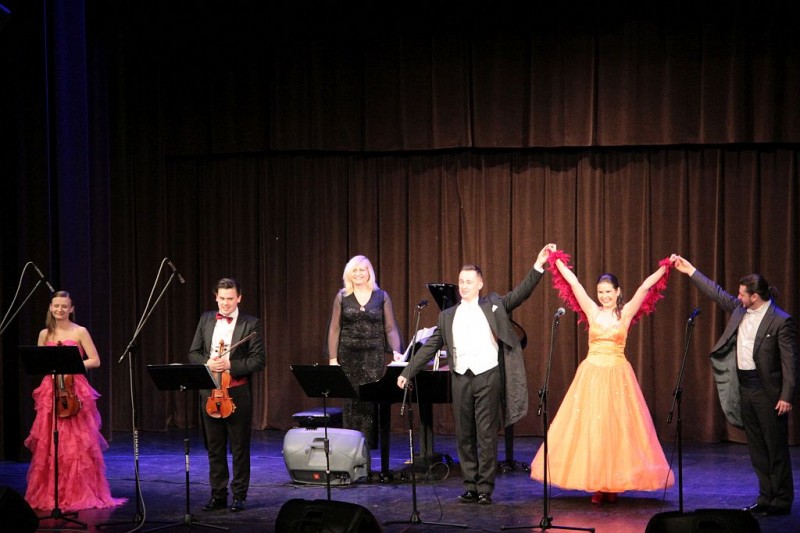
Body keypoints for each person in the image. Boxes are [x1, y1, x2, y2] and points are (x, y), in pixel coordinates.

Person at [397, 243, 557, 505]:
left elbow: (520, 294)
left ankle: (485, 487)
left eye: (469, 281)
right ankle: (470, 485)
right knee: (464, 434)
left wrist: (538, 266)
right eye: (461, 281)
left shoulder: (493, 304)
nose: (464, 286)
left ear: (480, 284)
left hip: (488, 375)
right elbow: (430, 346)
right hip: (460, 378)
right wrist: (408, 371)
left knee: (485, 434)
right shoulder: (447, 315)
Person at [530, 250, 675, 504]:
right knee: (594, 429)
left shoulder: (626, 313)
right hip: (592, 375)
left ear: (618, 292)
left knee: (617, 430)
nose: (604, 296)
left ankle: (613, 483)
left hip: (618, 375)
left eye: (608, 292)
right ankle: (599, 483)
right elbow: (574, 284)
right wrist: (556, 260)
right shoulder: (592, 311)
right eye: (600, 292)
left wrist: (666, 267)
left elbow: (644, 287)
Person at [672, 255, 797, 516]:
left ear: (755, 296)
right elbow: (717, 293)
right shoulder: (741, 309)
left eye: (742, 294)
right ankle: (765, 496)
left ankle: (781, 500)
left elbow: (790, 362)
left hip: (768, 392)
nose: (737, 297)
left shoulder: (780, 320)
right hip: (746, 387)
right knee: (756, 446)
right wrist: (690, 270)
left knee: (774, 447)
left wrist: (786, 395)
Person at [24, 290, 126, 512]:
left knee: (76, 441)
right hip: (50, 390)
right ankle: (53, 492)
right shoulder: (44, 334)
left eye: (64, 306)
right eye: (56, 306)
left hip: (74, 389)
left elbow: (95, 360)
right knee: (50, 440)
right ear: (50, 307)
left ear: (71, 309)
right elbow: (40, 362)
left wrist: (72, 365)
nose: (59, 309)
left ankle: (78, 491)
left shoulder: (80, 331)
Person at [189, 278, 265, 513]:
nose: (225, 303)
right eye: (221, 298)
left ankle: (239, 495)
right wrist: (208, 362)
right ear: (216, 297)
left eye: (230, 299)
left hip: (236, 392)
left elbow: (258, 360)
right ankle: (218, 495)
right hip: (210, 392)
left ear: (239, 298)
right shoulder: (206, 319)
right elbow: (193, 353)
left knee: (239, 448)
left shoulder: (250, 323)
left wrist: (230, 364)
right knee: (215, 448)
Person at [327, 255, 404, 450]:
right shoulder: (342, 297)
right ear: (349, 274)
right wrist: (333, 358)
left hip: (373, 357)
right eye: (355, 270)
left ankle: (367, 449)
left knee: (370, 402)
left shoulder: (381, 296)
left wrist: (396, 351)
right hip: (348, 356)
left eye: (362, 270)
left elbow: (390, 327)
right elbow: (335, 328)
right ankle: (349, 448)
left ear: (369, 273)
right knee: (351, 402)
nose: (359, 273)